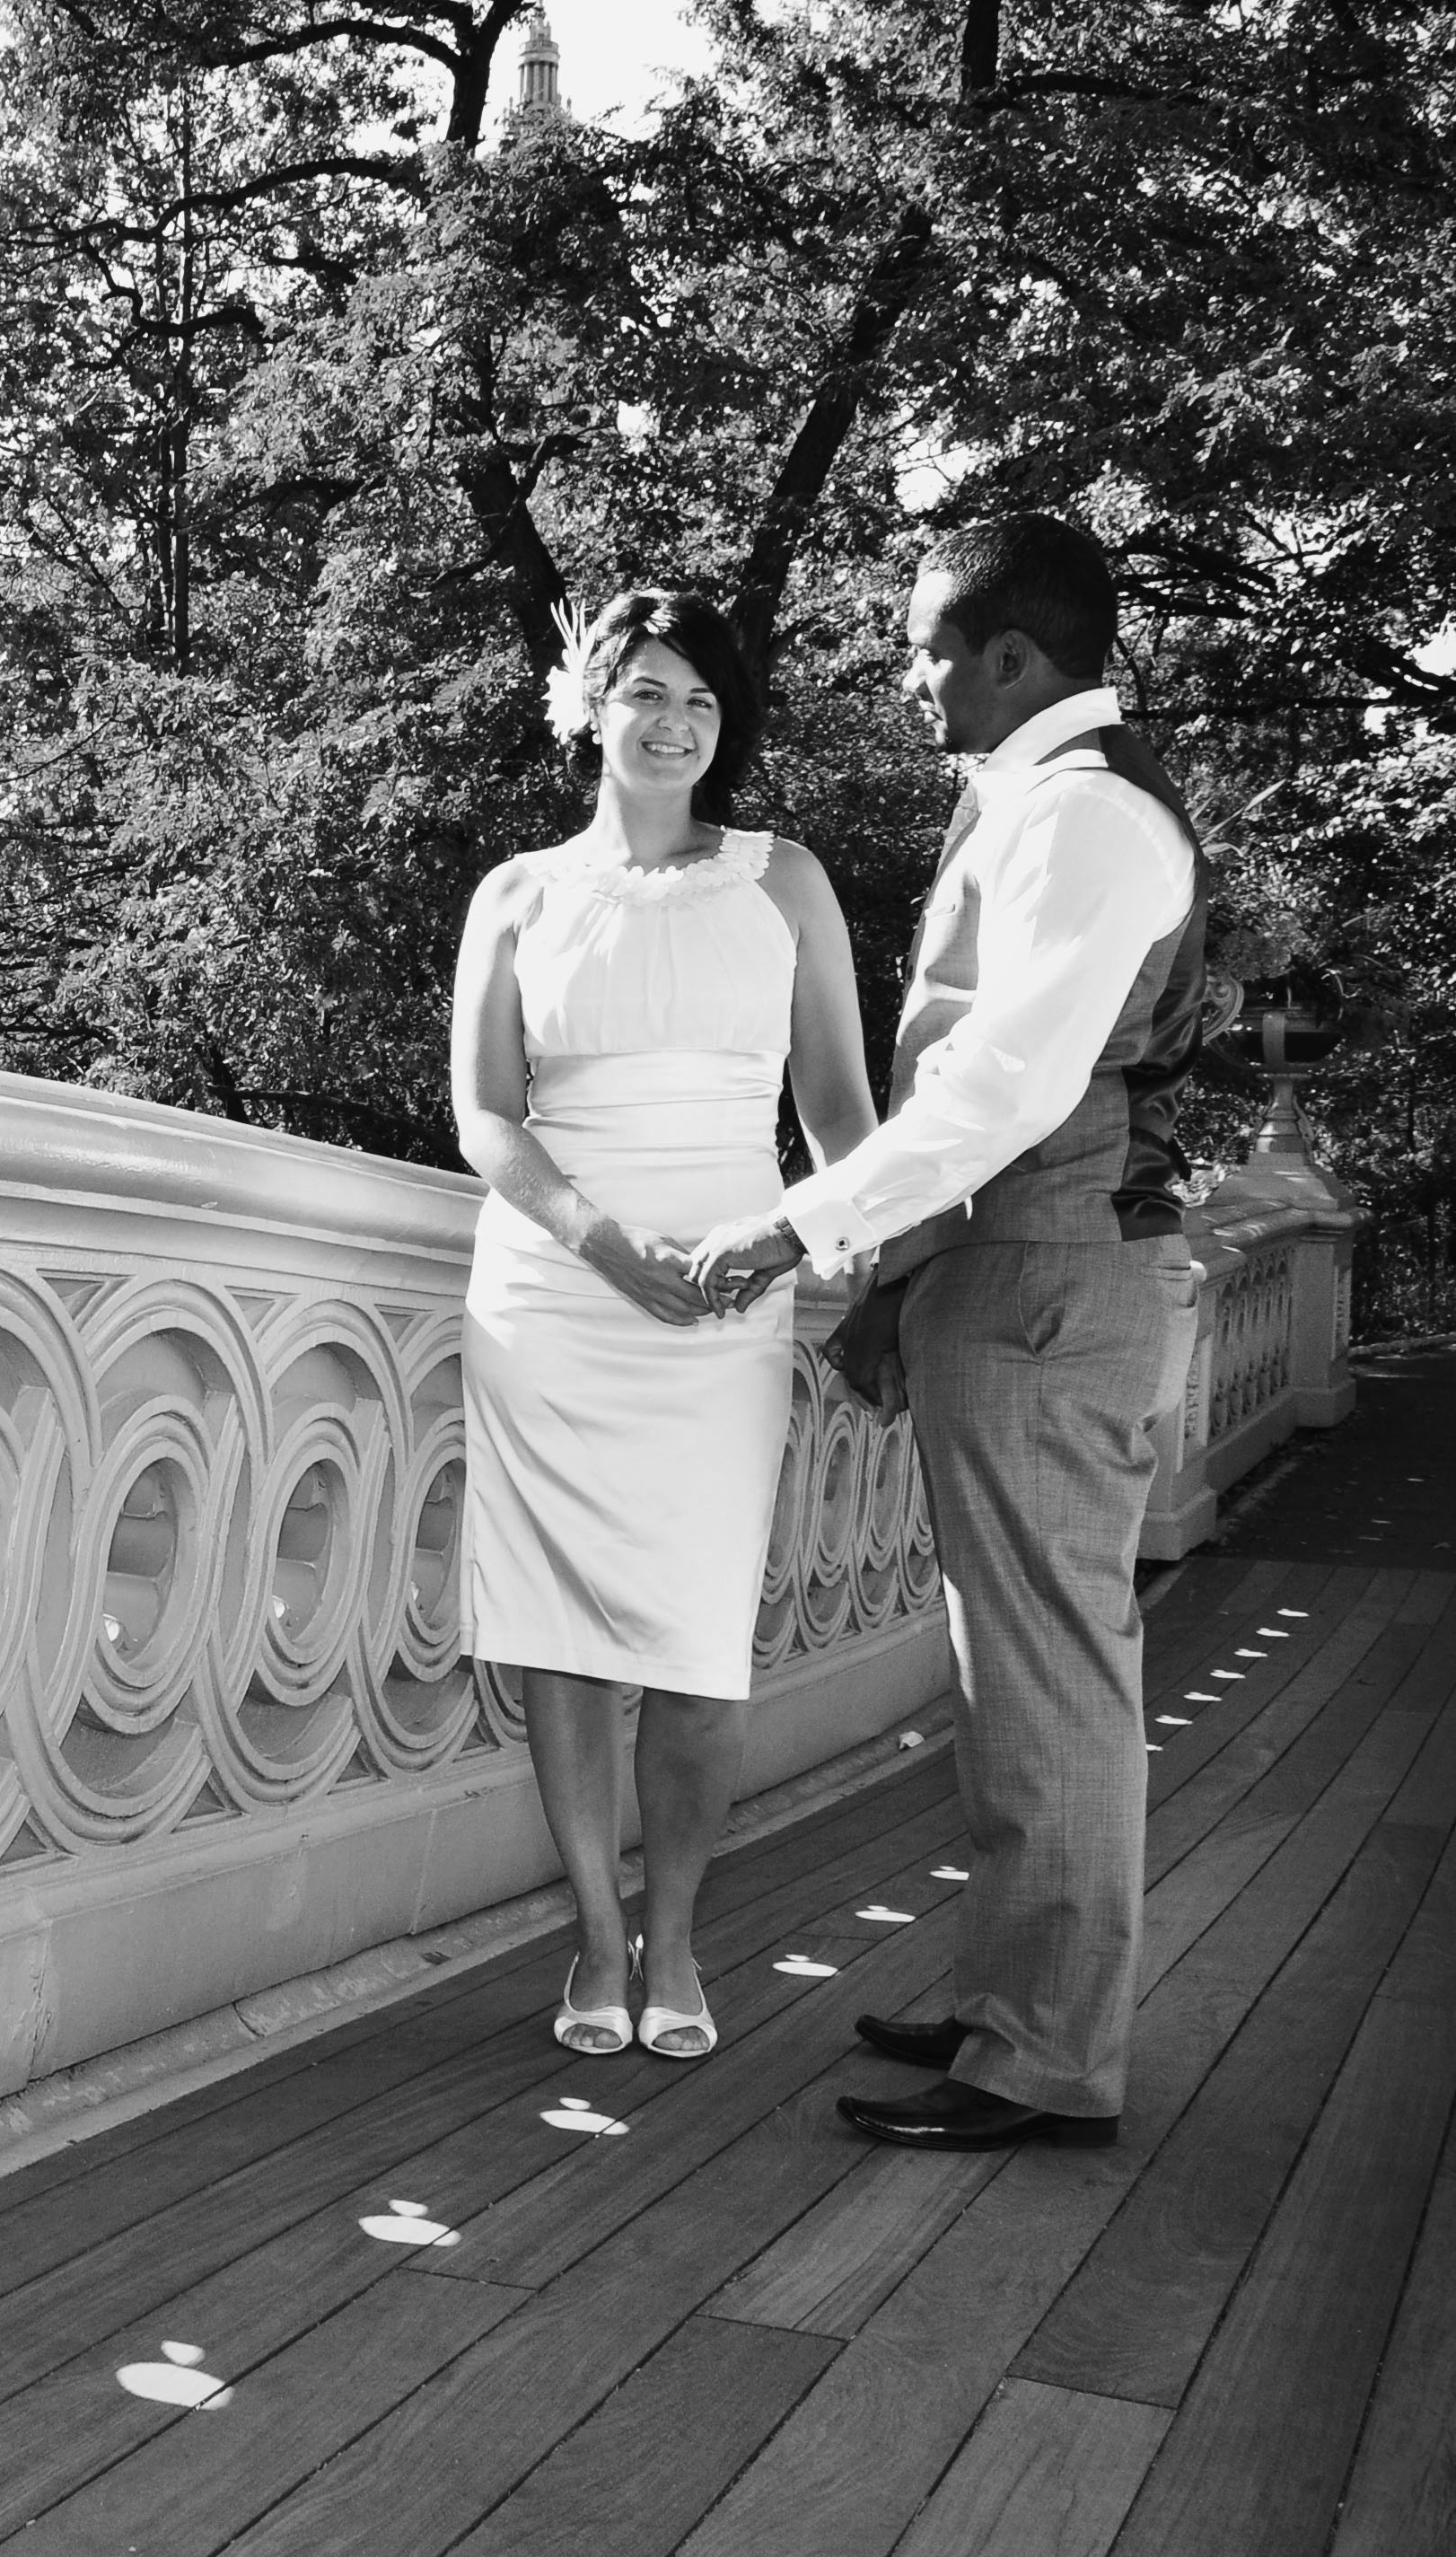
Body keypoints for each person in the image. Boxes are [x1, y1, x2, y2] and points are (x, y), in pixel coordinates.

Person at [694, 514, 1211, 2151]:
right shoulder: (1042, 804)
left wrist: (802, 1222)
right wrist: (902, 1279)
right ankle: (1013, 2003)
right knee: (1013, 1674)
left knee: (1049, 1676)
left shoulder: (1087, 818)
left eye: (925, 649)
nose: (907, 677)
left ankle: (1046, 2053)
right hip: (1019, 1271)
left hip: (1054, 1276)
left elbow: (1004, 1084)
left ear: (1009, 654)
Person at [452, 590, 881, 2063]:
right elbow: (484, 1115)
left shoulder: (785, 880)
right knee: (562, 1634)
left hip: (725, 1295)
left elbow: (837, 1107)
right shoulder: (515, 894)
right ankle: (592, 1938)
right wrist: (597, 1238)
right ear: (589, 706)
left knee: (701, 1639)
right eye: (644, 690)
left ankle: (677, 1937)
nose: (673, 722)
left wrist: (854, 1247)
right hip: (555, 1294)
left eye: (700, 698)